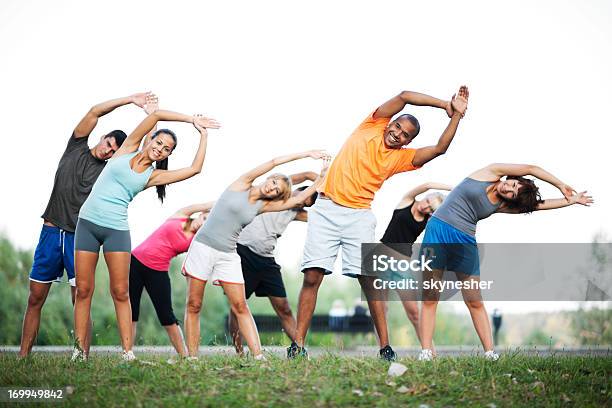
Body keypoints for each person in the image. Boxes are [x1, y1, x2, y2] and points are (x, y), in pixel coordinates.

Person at [290, 86, 469, 361]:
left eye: (404, 135)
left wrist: (455, 115)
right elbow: (406, 95)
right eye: (397, 126)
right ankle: (297, 346)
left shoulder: (401, 158)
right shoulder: (372, 124)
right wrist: (445, 103)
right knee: (312, 276)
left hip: (359, 215)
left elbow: (440, 149)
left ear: (407, 142)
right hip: (325, 208)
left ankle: (385, 347)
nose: (396, 133)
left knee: (370, 280)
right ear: (391, 122)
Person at [72, 108, 220, 362]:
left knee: (120, 292)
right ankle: (79, 351)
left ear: (167, 155)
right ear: (149, 138)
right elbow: (157, 115)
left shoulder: (153, 176)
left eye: (166, 149)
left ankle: (128, 353)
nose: (160, 149)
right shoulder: (127, 147)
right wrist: (190, 118)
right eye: (158, 142)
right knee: (84, 290)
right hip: (86, 224)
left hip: (115, 230)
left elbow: (195, 169)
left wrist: (203, 134)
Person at [19, 92, 155, 358]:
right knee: (35, 297)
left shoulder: (109, 171)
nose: (109, 150)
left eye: (115, 150)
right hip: (49, 231)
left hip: (78, 236)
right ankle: (23, 356)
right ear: (103, 137)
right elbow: (94, 111)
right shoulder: (76, 147)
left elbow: (142, 153)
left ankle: (82, 355)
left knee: (80, 296)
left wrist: (151, 117)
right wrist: (129, 100)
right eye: (109, 143)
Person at [417, 163, 593, 361]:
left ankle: (490, 353)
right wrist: (561, 185)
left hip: (465, 242)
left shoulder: (502, 205)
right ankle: (425, 352)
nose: (508, 189)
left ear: (512, 200)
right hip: (437, 231)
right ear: (513, 178)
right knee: (431, 296)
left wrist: (570, 201)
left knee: (474, 300)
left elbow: (537, 206)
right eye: (513, 185)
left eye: (513, 194)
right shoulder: (491, 173)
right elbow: (532, 169)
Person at [182, 152, 329, 360]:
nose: (273, 187)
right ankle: (193, 357)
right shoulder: (243, 183)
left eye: (277, 189)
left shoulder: (267, 205)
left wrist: (322, 181)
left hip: (230, 254)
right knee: (194, 304)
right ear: (270, 178)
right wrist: (308, 155)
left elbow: (300, 200)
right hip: (207, 247)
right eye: (274, 182)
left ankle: (259, 357)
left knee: (241, 305)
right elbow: (274, 163)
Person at [229, 172, 318, 354]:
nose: (300, 202)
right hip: (244, 252)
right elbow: (305, 175)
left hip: (267, 261)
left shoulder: (295, 212)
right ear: (297, 191)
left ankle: (300, 350)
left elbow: (321, 218)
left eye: (304, 204)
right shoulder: (275, 192)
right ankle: (239, 352)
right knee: (237, 305)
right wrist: (322, 180)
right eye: (302, 198)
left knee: (284, 308)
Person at [129, 202, 214, 357]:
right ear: (202, 214)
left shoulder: (196, 241)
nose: (203, 224)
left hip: (157, 271)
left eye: (208, 225)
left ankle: (184, 356)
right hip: (134, 262)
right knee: (131, 312)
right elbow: (206, 204)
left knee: (166, 315)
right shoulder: (181, 215)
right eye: (205, 218)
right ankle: (127, 353)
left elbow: (195, 262)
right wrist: (222, 204)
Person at [379, 182, 451, 344]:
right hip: (381, 257)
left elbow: (446, 217)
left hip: (402, 262)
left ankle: (429, 351)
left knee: (414, 311)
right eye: (427, 202)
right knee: (380, 309)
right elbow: (427, 185)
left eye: (430, 209)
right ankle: (384, 349)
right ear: (425, 197)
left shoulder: (427, 221)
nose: (425, 207)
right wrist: (453, 189)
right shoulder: (407, 201)